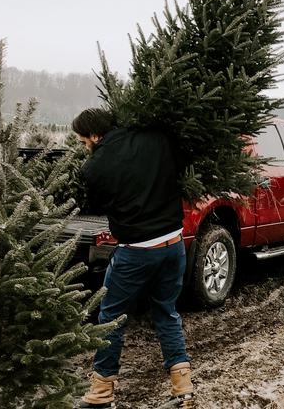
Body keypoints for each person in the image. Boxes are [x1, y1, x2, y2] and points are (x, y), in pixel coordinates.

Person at [72, 108, 194, 409]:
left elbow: (99, 204)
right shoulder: (156, 137)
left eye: (82, 140)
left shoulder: (94, 168)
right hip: (174, 243)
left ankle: (101, 394)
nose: (83, 146)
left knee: (110, 318)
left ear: (94, 135)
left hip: (137, 251)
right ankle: (184, 391)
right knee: (166, 312)